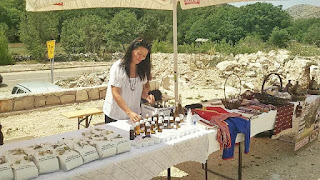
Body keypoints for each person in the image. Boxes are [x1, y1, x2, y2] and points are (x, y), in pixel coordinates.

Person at [103, 38, 155, 123]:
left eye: (144, 56)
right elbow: (115, 93)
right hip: (116, 114)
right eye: (139, 54)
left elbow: (139, 90)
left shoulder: (142, 69)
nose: (141, 58)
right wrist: (129, 112)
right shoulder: (118, 67)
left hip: (134, 115)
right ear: (131, 50)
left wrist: (147, 96)